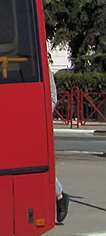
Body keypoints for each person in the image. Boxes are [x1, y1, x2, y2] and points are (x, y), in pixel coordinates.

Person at [50, 64, 69, 223]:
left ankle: (59, 195)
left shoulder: (38, 66)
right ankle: (59, 195)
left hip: (36, 123)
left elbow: (52, 97)